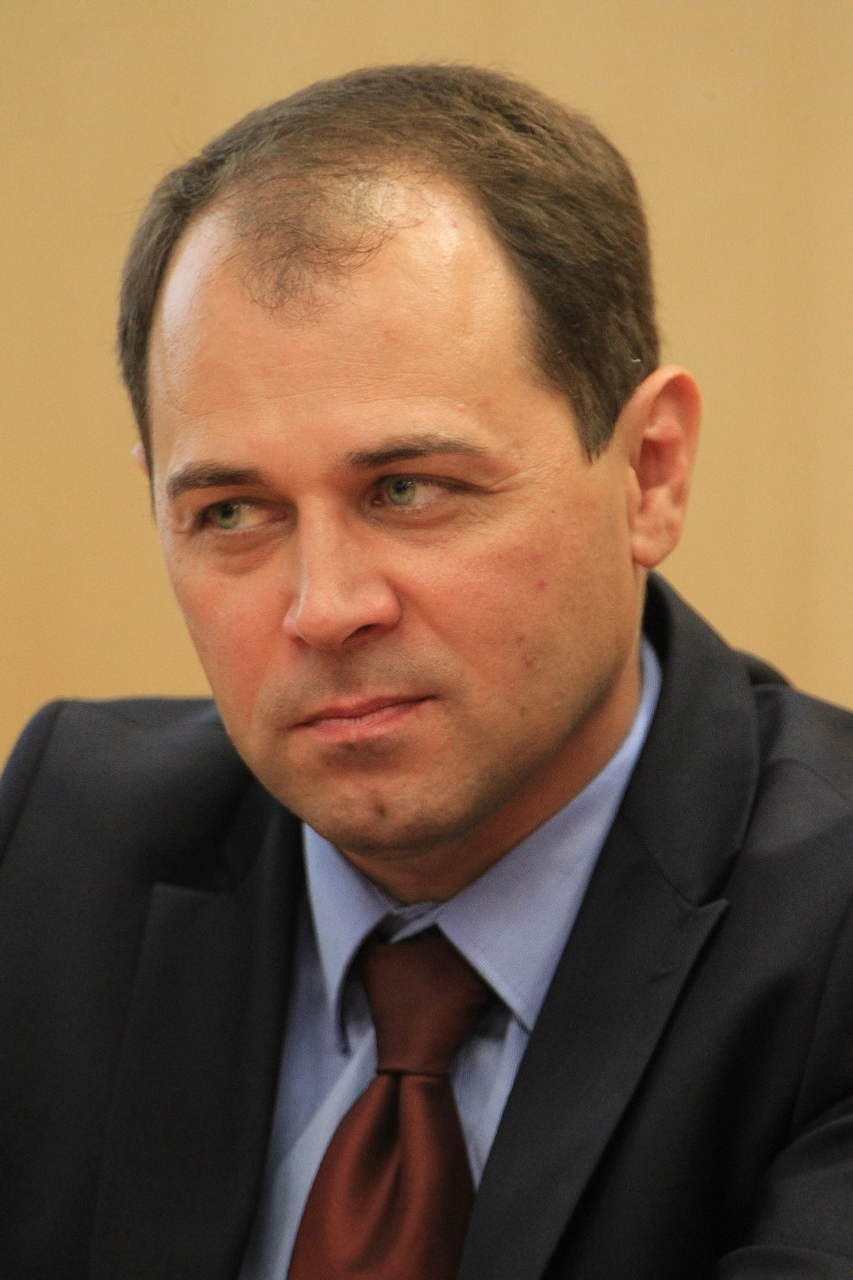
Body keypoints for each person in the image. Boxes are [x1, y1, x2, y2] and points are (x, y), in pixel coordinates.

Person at [2, 64, 853, 1280]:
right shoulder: (59, 847)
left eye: (407, 489)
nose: (323, 608)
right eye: (233, 511)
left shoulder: (828, 928)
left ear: (649, 471)